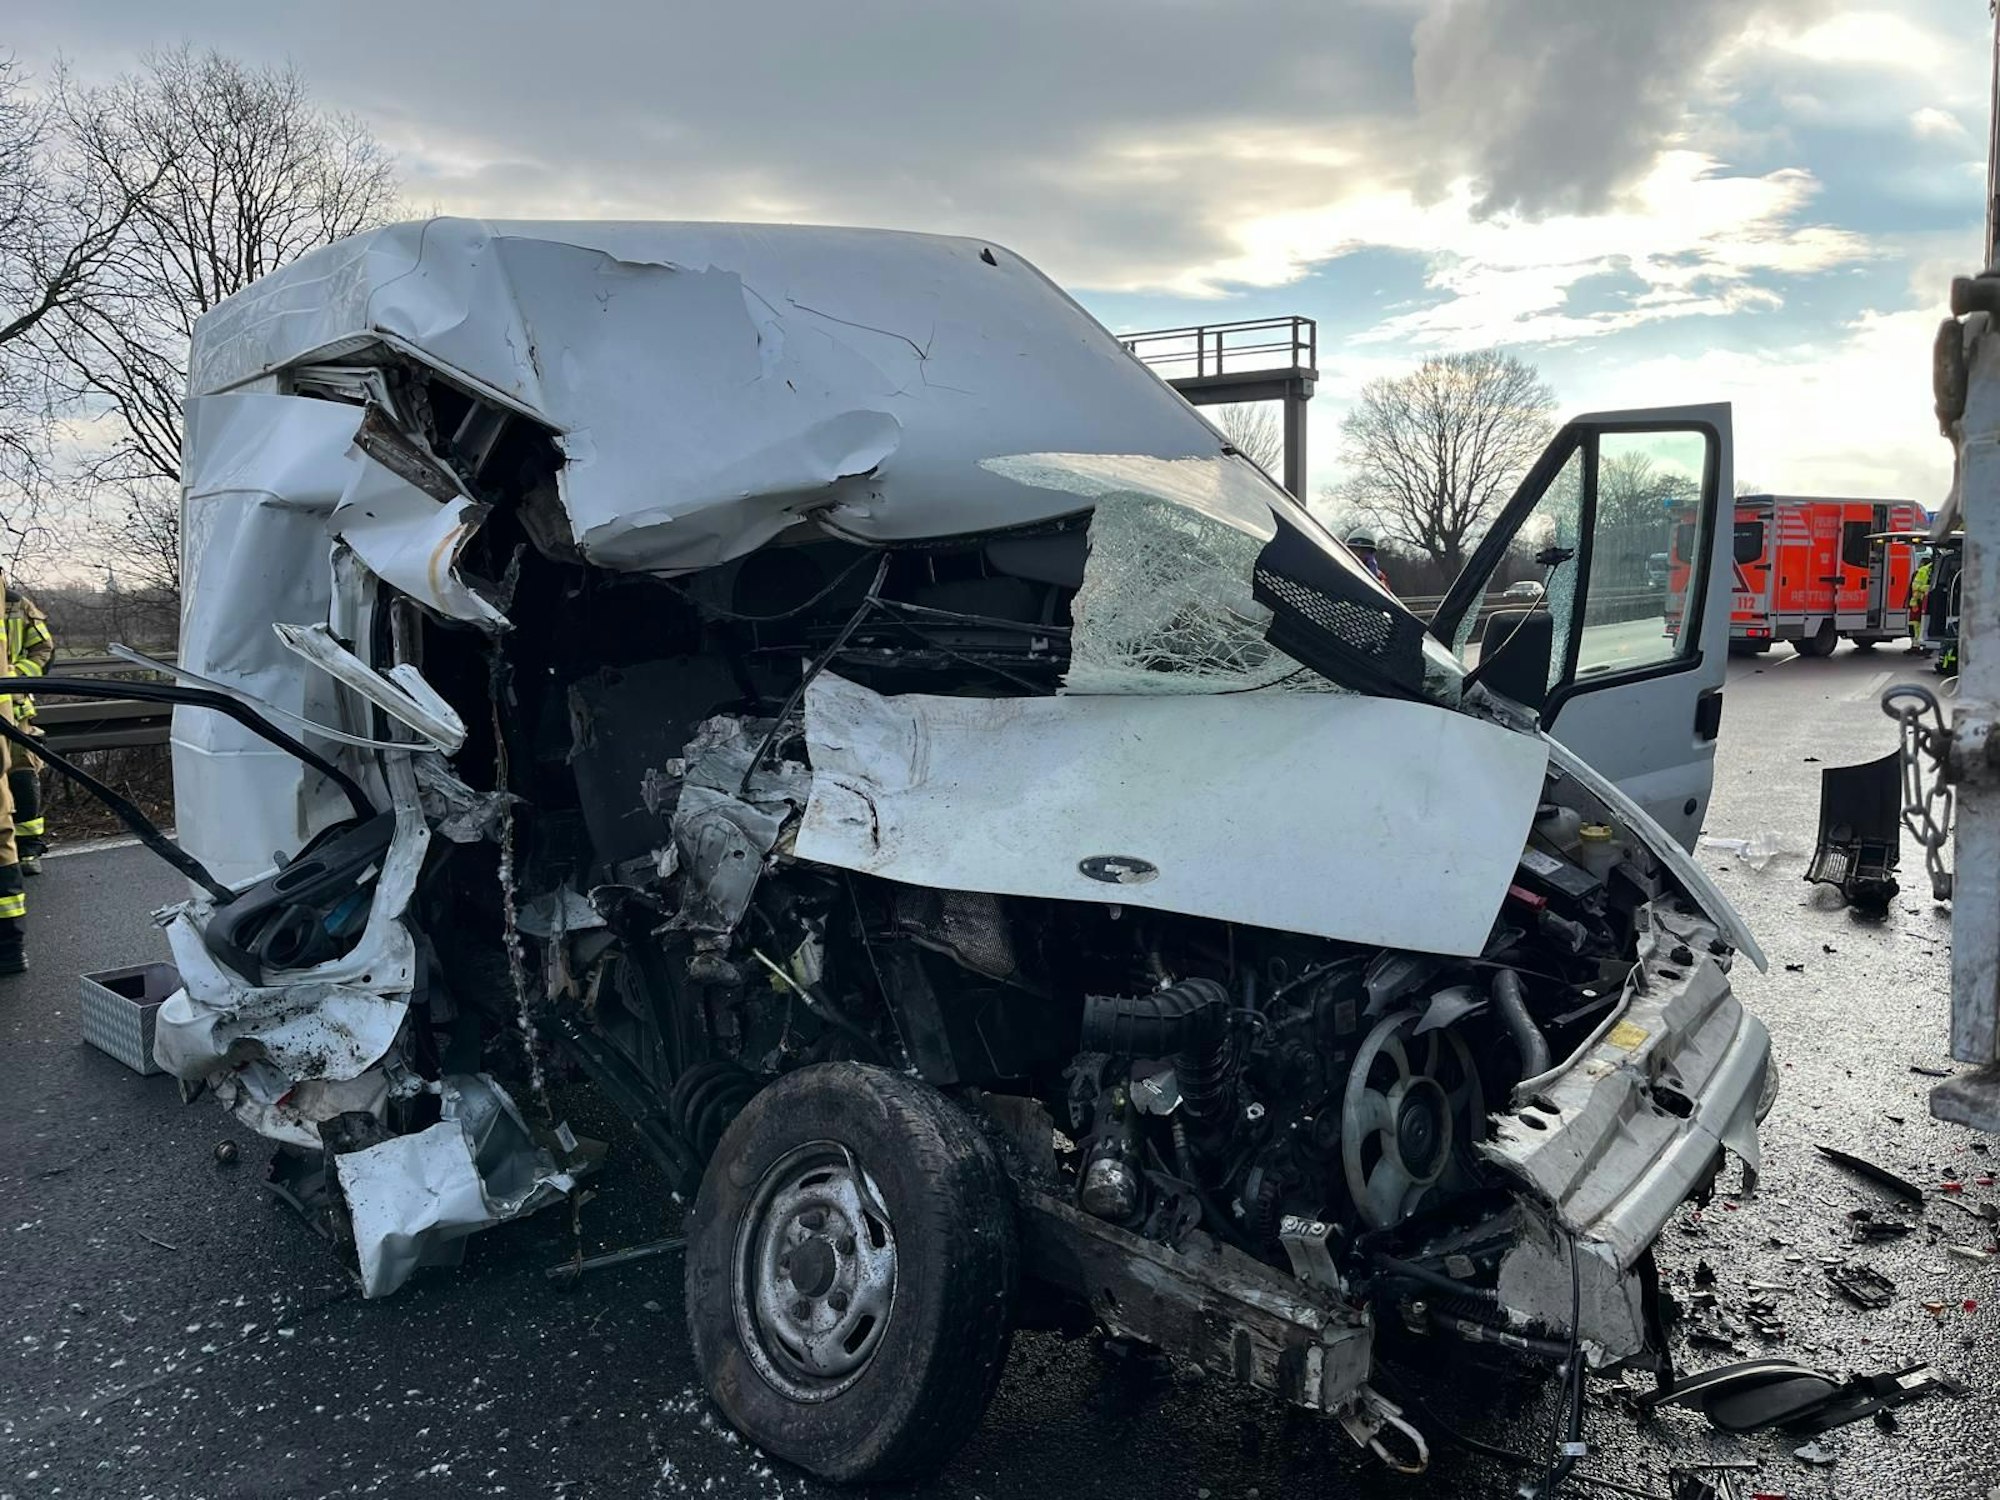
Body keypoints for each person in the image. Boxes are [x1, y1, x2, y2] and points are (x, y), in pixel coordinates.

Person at [1346, 528, 1394, 594]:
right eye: (1355, 549)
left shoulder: (1380, 577)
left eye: (1363, 551)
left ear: (1371, 553)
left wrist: (1374, 579)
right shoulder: (1339, 568)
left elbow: (1384, 597)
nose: (1358, 554)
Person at [1908, 552, 1932, 654]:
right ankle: (1917, 645)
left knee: (1919, 625)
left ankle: (1918, 645)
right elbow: (1914, 587)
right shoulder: (1924, 571)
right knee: (1915, 625)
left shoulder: (1923, 571)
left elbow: (1914, 587)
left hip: (1920, 603)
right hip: (1919, 602)